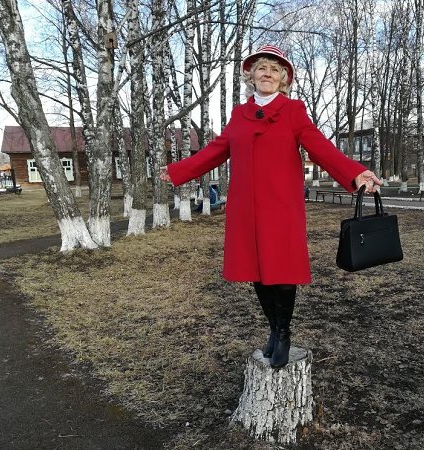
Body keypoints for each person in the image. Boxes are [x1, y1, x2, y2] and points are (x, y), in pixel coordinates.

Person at [160, 45, 382, 368]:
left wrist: (354, 172)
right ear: (251, 76)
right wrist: (179, 171)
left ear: (283, 79)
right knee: (257, 273)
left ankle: (283, 332)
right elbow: (215, 151)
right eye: (262, 68)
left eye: (275, 70)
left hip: (281, 208)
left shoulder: (293, 111)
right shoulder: (239, 115)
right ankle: (274, 329)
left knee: (281, 272)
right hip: (246, 210)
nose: (268, 74)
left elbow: (320, 147)